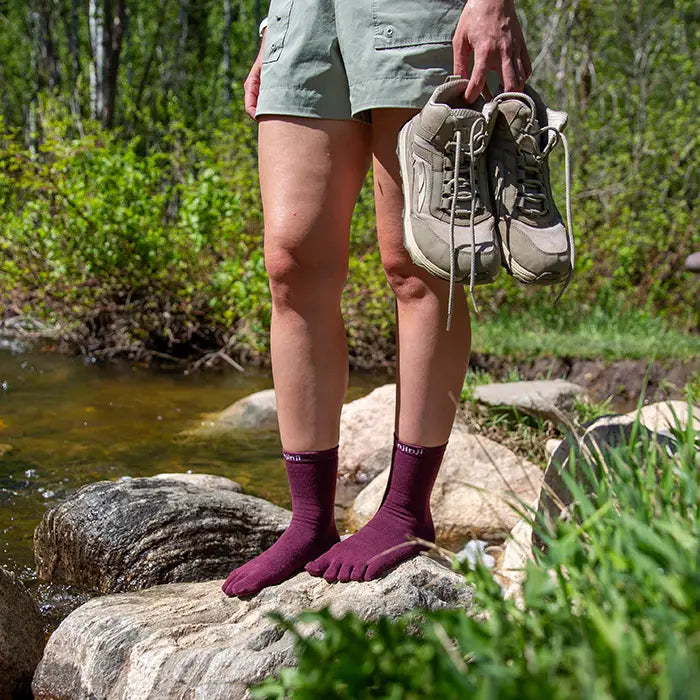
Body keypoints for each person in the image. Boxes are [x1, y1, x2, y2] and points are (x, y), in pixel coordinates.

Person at [222, 0, 532, 597]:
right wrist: (271, 30)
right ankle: (310, 521)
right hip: (303, 14)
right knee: (291, 264)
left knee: (418, 261)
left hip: (416, 11)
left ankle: (406, 511)